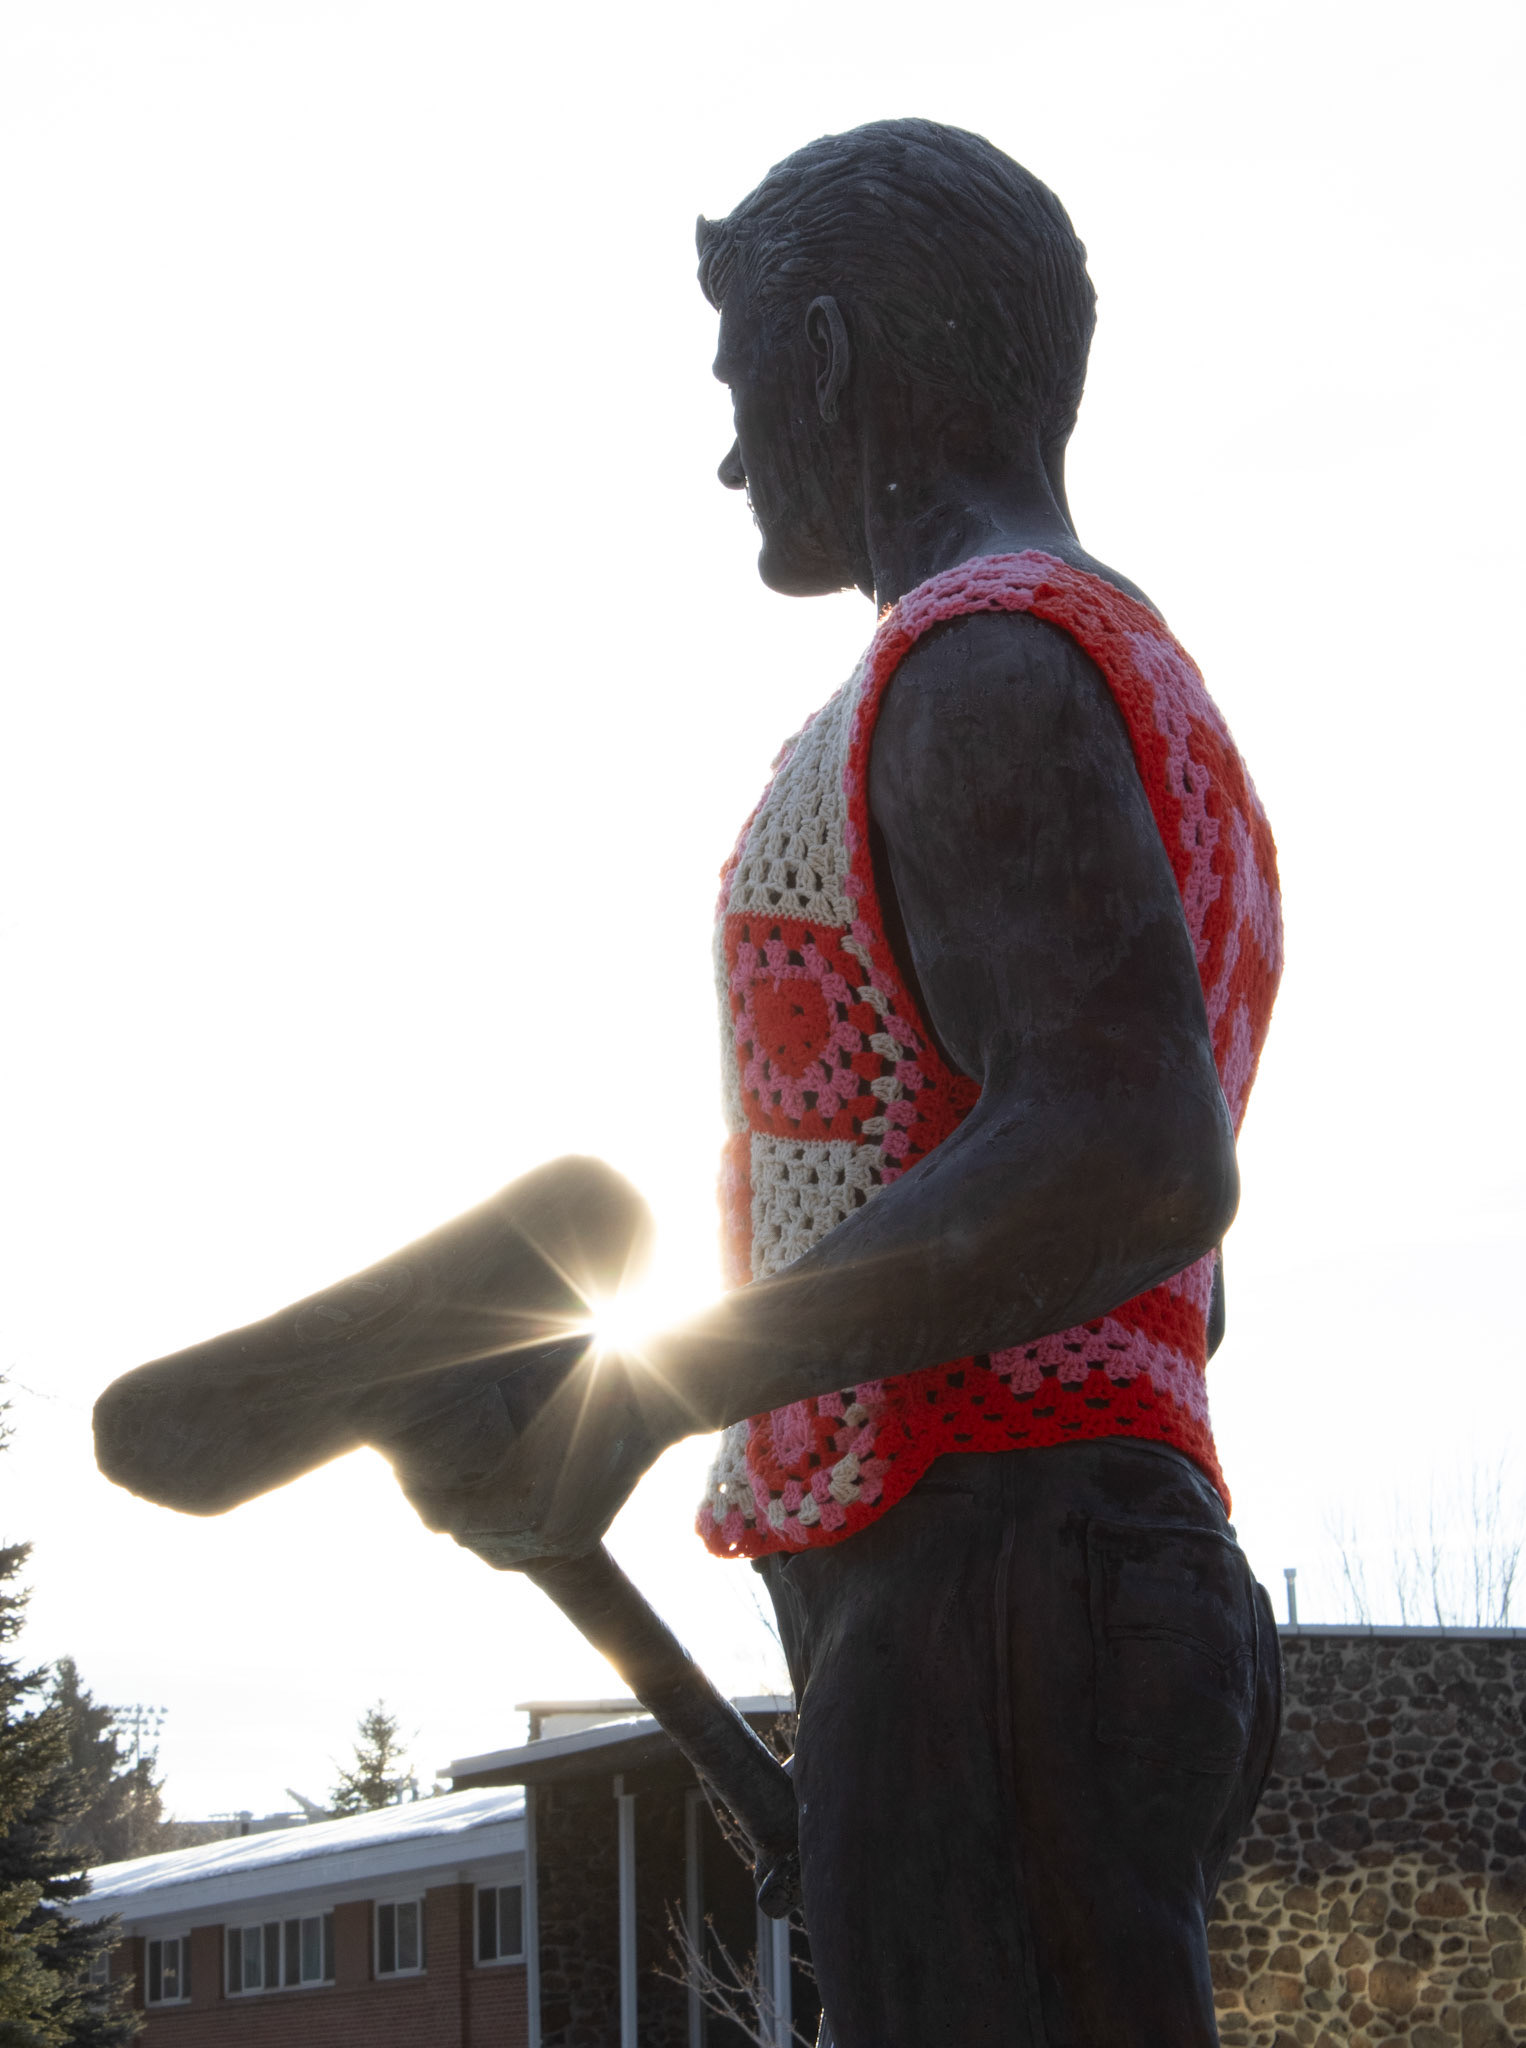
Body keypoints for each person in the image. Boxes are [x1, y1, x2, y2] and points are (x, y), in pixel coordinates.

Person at [446, 119, 1286, 2045]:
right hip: (1035, 1571)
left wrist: (647, 1387)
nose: (733, 451)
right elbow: (1160, 1255)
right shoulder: (1122, 677)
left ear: (824, 355)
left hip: (1003, 1571)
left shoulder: (981, 667)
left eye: (744, 383)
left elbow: (1126, 1157)